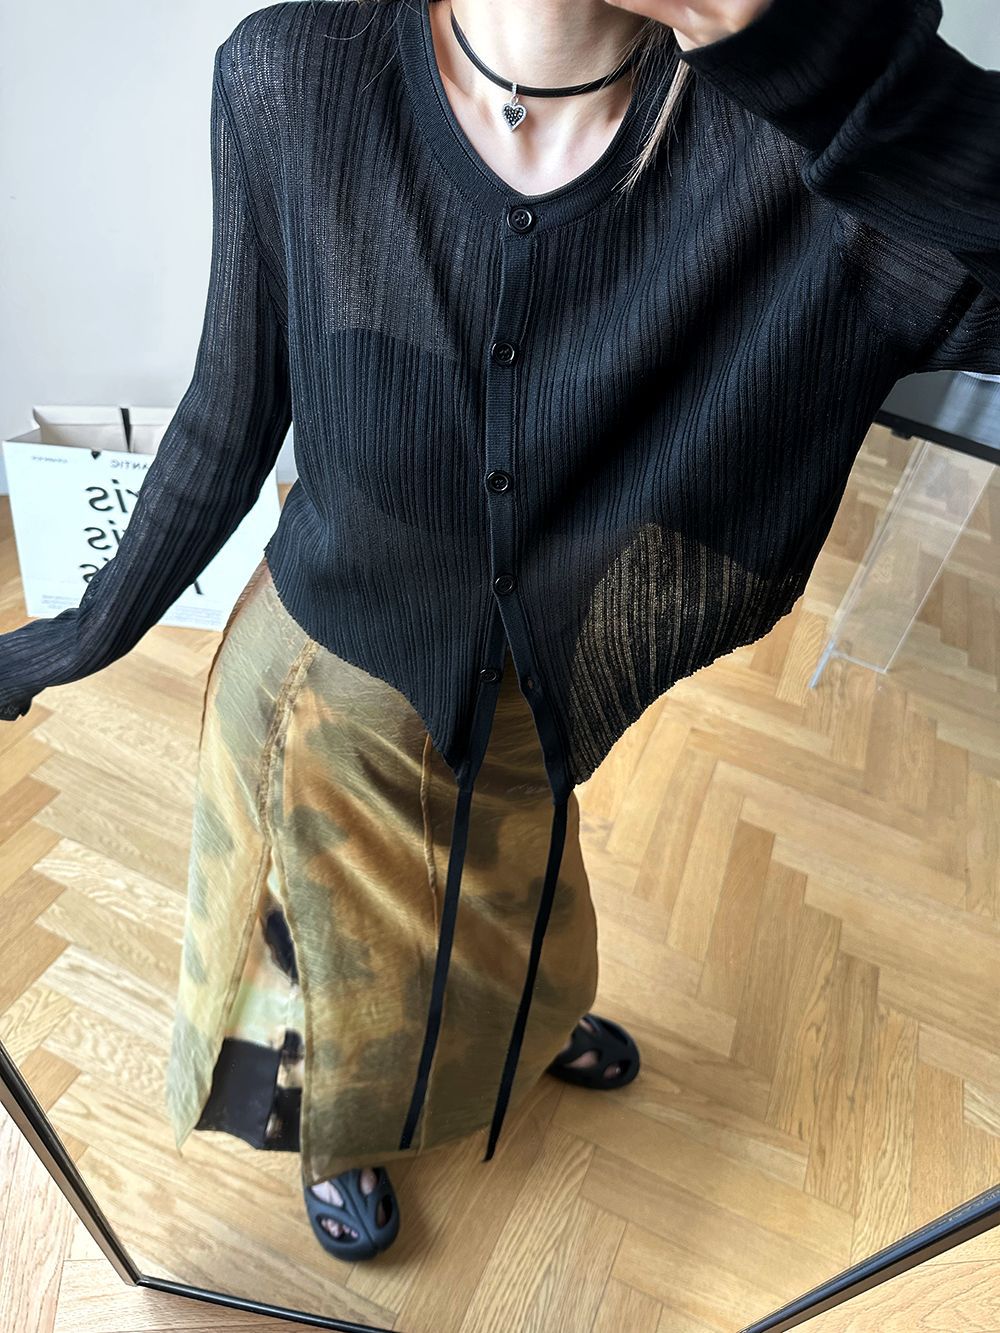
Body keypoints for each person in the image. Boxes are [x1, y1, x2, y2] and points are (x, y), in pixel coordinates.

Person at [1, 0, 997, 1265]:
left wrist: (800, 55)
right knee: (328, 977)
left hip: (536, 700)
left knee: (519, 918)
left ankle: (520, 1038)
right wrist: (69, 639)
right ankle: (335, 1135)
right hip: (328, 708)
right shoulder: (295, 79)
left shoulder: (790, 133)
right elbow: (226, 419)